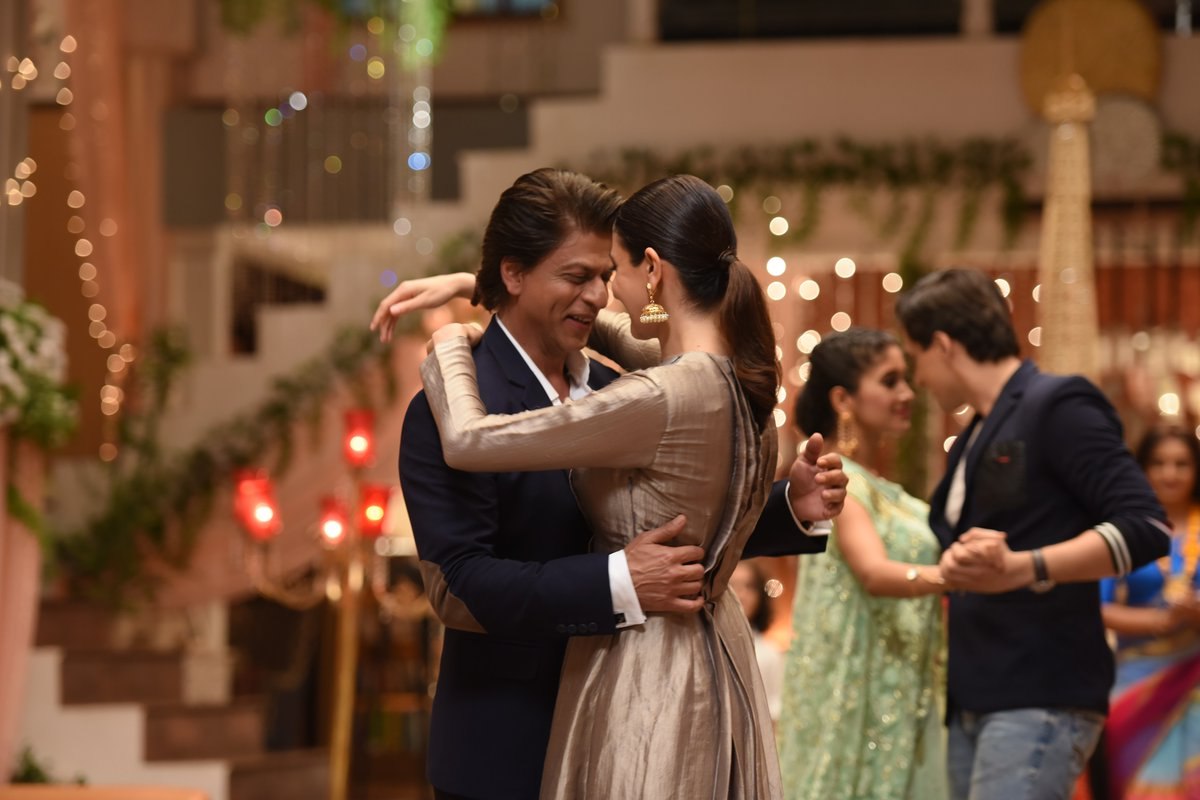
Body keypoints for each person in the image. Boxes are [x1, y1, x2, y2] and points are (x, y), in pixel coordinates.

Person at [377, 169, 846, 800]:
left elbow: (663, 523)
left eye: (605, 275)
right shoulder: (451, 406)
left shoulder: (619, 387)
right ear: (514, 274)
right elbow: (459, 587)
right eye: (576, 277)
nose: (598, 296)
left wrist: (789, 506)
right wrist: (617, 582)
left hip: (639, 725)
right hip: (511, 743)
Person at [894, 268, 1170, 800]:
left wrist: (1028, 566)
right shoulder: (975, 433)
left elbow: (1146, 525)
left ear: (944, 345)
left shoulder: (1056, 403)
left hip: (1039, 687)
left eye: (915, 357)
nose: (919, 379)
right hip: (977, 693)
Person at [776, 328, 949, 800]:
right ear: (843, 399)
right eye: (890, 381)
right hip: (858, 691)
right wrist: (954, 576)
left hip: (898, 684)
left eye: (905, 380)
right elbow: (873, 574)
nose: (907, 394)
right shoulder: (834, 482)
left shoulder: (880, 488)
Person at [1100, 426, 1200, 799]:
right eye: (1158, 463)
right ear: (1141, 469)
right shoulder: (1124, 530)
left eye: (1181, 464)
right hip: (1135, 679)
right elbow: (1097, 607)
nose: (1169, 474)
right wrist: (1160, 622)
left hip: (1195, 677)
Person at [729, 560, 785, 723]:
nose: (741, 595)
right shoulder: (705, 647)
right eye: (733, 586)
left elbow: (774, 710)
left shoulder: (769, 653)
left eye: (749, 587)